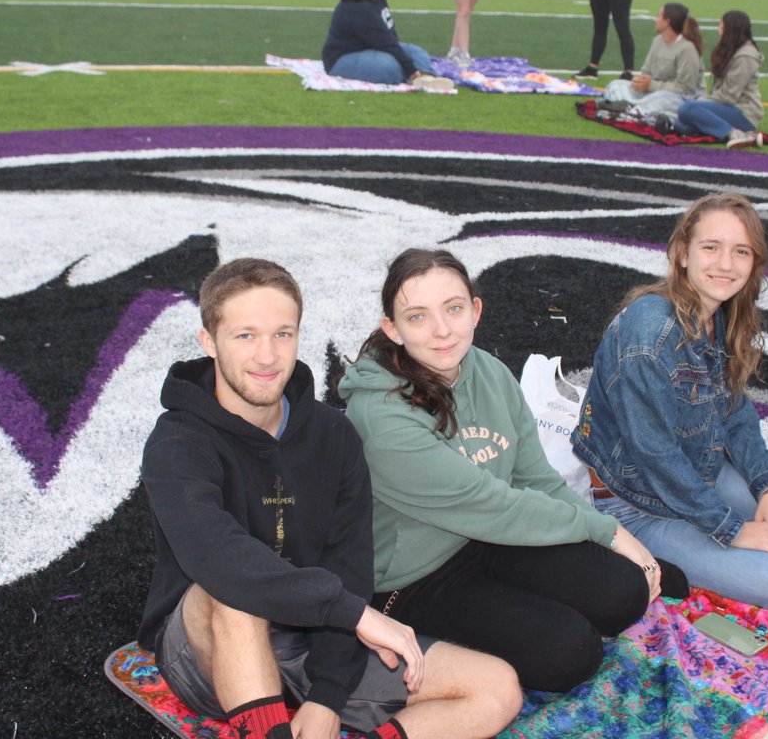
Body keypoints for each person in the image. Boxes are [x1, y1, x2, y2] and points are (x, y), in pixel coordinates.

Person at [138, 258, 521, 739]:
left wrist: (327, 695)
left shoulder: (332, 434)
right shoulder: (178, 443)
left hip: (313, 631)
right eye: (245, 336)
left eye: (282, 334)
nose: (266, 355)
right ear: (208, 342)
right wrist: (355, 615)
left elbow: (350, 564)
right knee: (235, 593)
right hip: (209, 646)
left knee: (497, 688)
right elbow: (216, 556)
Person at [339, 248, 687, 694]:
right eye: (418, 316)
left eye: (453, 309)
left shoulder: (489, 371)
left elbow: (534, 480)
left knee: (624, 592)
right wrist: (609, 532)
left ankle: (523, 610)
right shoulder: (380, 417)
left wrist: (606, 543)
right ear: (393, 327)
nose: (442, 330)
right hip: (413, 576)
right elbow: (494, 504)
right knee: (570, 653)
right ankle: (440, 645)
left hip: (489, 538)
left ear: (476, 310)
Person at [572, 193, 768, 610]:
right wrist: (731, 529)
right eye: (711, 247)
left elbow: (734, 415)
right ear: (681, 253)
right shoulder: (648, 335)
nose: (725, 264)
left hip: (701, 467)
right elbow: (655, 456)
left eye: (741, 251)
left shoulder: (718, 315)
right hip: (638, 503)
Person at [323, 0, 454, 91]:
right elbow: (385, 42)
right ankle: (413, 77)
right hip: (343, 58)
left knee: (417, 52)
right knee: (390, 66)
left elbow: (390, 36)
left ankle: (425, 77)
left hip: (371, 49)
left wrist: (406, 60)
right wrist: (410, 68)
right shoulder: (358, 9)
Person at [599, 1, 704, 123]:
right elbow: (647, 71)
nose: (656, 19)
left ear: (667, 22)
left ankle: (627, 108)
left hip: (679, 98)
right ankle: (632, 109)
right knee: (615, 86)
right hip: (651, 93)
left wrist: (651, 85)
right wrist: (640, 81)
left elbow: (686, 89)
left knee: (660, 99)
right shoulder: (657, 41)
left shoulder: (687, 48)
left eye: (659, 16)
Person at [675, 10, 764, 148]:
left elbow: (729, 96)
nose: (719, 28)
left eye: (721, 24)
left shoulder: (746, 56)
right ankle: (745, 136)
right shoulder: (731, 49)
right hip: (726, 106)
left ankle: (735, 133)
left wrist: (701, 101)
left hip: (743, 112)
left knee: (686, 109)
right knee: (681, 124)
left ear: (731, 28)